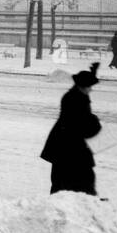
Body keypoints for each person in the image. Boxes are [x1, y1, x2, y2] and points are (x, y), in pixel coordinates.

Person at [41, 62, 102, 196]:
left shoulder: (76, 95)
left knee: (67, 179)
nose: (91, 89)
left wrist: (92, 75)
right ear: (82, 86)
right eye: (89, 86)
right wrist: (95, 123)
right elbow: (83, 125)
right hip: (69, 146)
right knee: (77, 178)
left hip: (65, 145)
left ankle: (85, 201)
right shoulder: (76, 99)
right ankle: (86, 202)